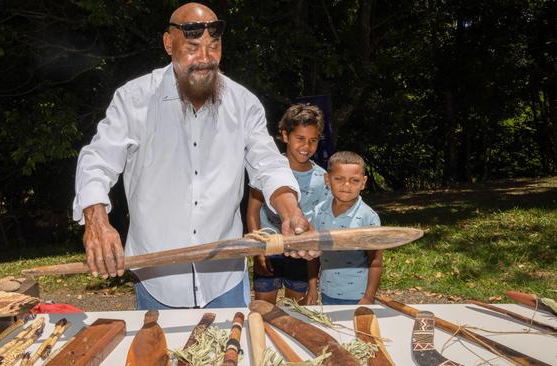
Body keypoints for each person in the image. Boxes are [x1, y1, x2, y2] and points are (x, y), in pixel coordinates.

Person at [72, 2, 316, 310]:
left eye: (213, 47)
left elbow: (267, 163)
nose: (205, 59)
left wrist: (291, 211)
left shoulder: (243, 103)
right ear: (168, 44)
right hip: (157, 281)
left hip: (225, 279)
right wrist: (96, 219)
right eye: (192, 48)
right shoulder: (133, 99)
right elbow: (97, 160)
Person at [247, 104, 328, 305]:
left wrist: (312, 283)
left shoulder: (322, 178)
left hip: (300, 256)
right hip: (269, 251)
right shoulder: (267, 171)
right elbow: (252, 211)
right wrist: (258, 252)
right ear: (285, 135)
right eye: (300, 138)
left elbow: (315, 232)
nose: (306, 146)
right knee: (263, 312)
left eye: (313, 140)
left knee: (297, 315)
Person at [311, 151, 383, 305]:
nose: (346, 185)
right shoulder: (318, 212)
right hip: (327, 292)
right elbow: (313, 254)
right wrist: (312, 288)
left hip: (358, 296)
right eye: (339, 179)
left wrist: (368, 297)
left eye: (354, 180)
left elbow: (375, 262)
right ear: (327, 180)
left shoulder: (368, 217)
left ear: (363, 183)